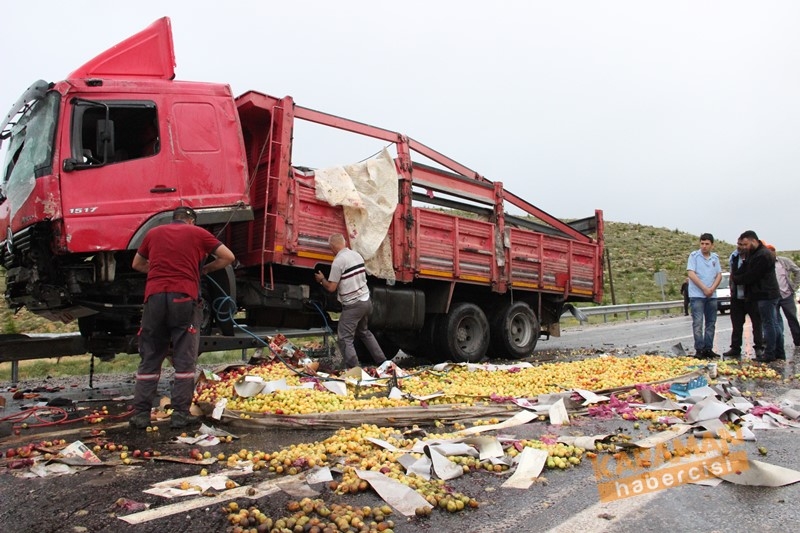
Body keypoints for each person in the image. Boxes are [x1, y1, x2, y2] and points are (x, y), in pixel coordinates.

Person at [129, 206, 235, 429]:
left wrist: (158, 271)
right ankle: (180, 414)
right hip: (183, 298)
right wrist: (204, 270)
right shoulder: (198, 234)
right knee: (184, 358)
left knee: (150, 357)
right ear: (192, 221)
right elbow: (228, 257)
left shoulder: (153, 233)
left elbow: (136, 264)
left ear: (173, 219)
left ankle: (140, 415)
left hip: (154, 299)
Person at [315, 233, 387, 369]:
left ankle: (353, 369)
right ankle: (383, 362)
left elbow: (331, 287)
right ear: (345, 243)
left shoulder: (338, 262)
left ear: (332, 247)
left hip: (354, 305)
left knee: (344, 337)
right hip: (366, 301)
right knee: (364, 332)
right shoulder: (356, 255)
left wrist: (321, 279)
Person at [731, 231, 780, 363]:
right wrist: (736, 276)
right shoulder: (753, 254)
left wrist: (737, 279)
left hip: (766, 294)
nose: (744, 247)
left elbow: (752, 275)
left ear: (753, 241)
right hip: (761, 294)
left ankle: (770, 353)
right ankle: (778, 352)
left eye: (746, 244)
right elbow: (745, 268)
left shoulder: (763, 255)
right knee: (772, 324)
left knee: (769, 324)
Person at [723, 239, 764, 358]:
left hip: (751, 296)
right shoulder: (734, 257)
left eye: (743, 245)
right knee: (736, 325)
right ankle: (735, 348)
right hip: (737, 296)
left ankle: (759, 347)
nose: (740, 247)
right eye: (739, 244)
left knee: (757, 324)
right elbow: (732, 274)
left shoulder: (754, 257)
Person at [686, 233, 722, 359]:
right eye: (702, 243)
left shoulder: (715, 258)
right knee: (698, 323)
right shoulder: (694, 256)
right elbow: (691, 273)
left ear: (712, 245)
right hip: (697, 295)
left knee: (711, 323)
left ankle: (708, 348)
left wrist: (712, 289)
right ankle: (699, 349)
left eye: (707, 244)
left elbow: (719, 275)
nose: (704, 246)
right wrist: (704, 288)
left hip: (711, 295)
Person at [767, 245, 800, 348]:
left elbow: (797, 271)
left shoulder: (784, 261)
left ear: (774, 252)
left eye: (770, 253)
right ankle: (779, 344)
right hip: (773, 297)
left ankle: (798, 341)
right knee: (775, 321)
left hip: (787, 295)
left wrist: (794, 286)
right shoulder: (765, 264)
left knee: (792, 318)